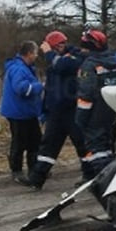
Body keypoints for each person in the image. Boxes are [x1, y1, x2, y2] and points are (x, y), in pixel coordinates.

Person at [17, 31, 85, 190]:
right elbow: (50, 89)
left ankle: (90, 175)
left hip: (72, 109)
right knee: (48, 146)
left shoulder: (73, 58)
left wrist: (49, 53)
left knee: (82, 144)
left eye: (59, 46)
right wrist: (45, 110)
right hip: (56, 112)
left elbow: (63, 66)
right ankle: (36, 179)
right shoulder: (54, 63)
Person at [75, 29, 116, 181]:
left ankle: (107, 181)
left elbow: (86, 95)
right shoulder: (114, 63)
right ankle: (105, 177)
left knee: (97, 150)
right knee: (107, 147)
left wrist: (80, 118)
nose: (82, 50)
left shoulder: (89, 66)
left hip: (94, 114)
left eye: (84, 46)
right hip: (110, 110)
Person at [0, 40, 43, 182]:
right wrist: (39, 87)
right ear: (29, 53)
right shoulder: (19, 69)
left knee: (35, 141)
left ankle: (34, 168)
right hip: (18, 113)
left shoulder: (26, 67)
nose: (37, 56)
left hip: (27, 112)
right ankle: (16, 171)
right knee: (19, 142)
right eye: (35, 53)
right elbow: (21, 88)